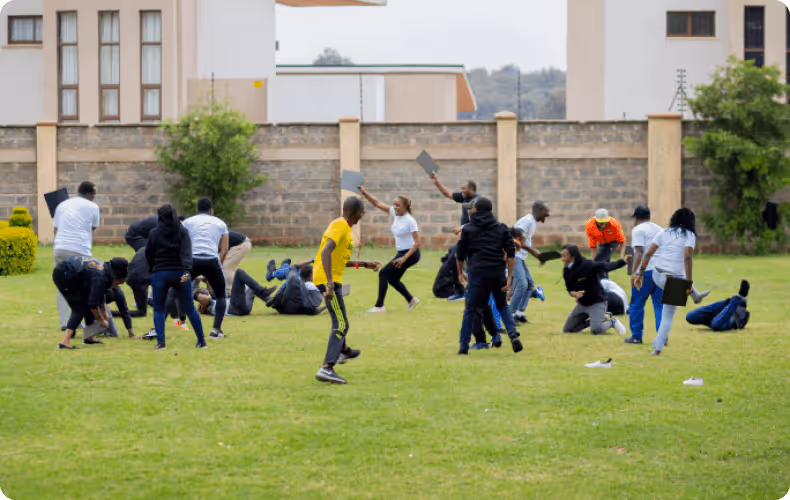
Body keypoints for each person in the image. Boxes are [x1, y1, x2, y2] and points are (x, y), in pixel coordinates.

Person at [313, 197, 382, 385]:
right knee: (341, 324)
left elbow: (339, 259)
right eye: (362, 212)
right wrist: (329, 284)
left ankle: (343, 351)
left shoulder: (346, 230)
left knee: (341, 321)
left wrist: (364, 264)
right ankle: (327, 368)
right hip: (328, 281)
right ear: (354, 211)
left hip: (331, 280)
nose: (363, 215)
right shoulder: (340, 226)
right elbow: (326, 253)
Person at [455, 197, 523, 354]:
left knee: (470, 309)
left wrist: (460, 273)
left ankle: (463, 347)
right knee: (501, 305)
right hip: (497, 273)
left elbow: (460, 254)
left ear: (476, 210)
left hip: (477, 274)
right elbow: (511, 255)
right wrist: (509, 277)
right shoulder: (502, 228)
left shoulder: (469, 229)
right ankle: (513, 335)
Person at [634, 208, 706, 356]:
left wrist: (640, 274)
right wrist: (688, 283)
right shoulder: (689, 235)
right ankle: (657, 348)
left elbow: (648, 253)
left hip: (657, 275)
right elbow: (687, 258)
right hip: (673, 280)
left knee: (677, 285)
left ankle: (696, 296)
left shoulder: (664, 232)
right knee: (667, 315)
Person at [145, 204, 206, 350]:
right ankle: (202, 342)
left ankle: (161, 343)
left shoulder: (154, 233)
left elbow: (148, 254)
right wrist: (187, 271)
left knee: (159, 308)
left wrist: (152, 270)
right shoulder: (182, 232)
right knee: (190, 307)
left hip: (160, 274)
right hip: (181, 274)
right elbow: (187, 253)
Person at [358, 186, 421, 313]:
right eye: (394, 205)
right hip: (401, 252)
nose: (395, 208)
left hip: (410, 254)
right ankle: (411, 300)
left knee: (384, 273)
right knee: (392, 279)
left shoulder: (410, 221)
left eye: (398, 205)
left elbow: (417, 243)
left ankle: (379, 306)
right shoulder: (394, 213)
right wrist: (364, 193)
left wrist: (404, 258)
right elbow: (377, 204)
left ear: (405, 207)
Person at [53, 181, 101, 331]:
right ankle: (83, 322)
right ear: (89, 193)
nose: (94, 196)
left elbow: (56, 228)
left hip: (60, 249)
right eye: (94, 194)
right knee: (83, 285)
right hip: (79, 250)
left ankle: (64, 322)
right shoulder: (93, 207)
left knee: (63, 284)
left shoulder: (62, 205)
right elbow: (93, 229)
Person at [53, 256, 129, 349]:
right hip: (64, 274)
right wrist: (102, 320)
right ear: (114, 276)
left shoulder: (105, 270)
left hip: (72, 274)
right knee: (80, 307)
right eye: (118, 282)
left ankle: (89, 337)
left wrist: (104, 311)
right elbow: (93, 304)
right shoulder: (100, 277)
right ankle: (65, 341)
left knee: (86, 303)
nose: (116, 286)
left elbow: (98, 294)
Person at [183, 198, 229, 339]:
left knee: (176, 289)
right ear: (211, 210)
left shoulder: (187, 222)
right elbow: (224, 249)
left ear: (197, 210)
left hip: (193, 260)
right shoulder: (220, 223)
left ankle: (177, 322)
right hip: (211, 260)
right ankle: (216, 330)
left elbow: (182, 244)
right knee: (221, 295)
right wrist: (217, 265)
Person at [430, 174, 480, 301]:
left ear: (472, 189)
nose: (462, 191)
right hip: (466, 240)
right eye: (461, 188)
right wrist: (436, 182)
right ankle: (461, 290)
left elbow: (479, 222)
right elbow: (448, 194)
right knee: (452, 256)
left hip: (476, 240)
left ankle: (462, 290)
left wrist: (462, 228)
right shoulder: (465, 198)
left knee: (457, 260)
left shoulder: (477, 202)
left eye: (465, 188)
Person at [560, 245, 628, 335]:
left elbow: (606, 266)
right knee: (568, 330)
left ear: (573, 256)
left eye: (565, 256)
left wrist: (622, 262)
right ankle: (599, 319)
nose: (562, 259)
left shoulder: (588, 265)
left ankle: (612, 322)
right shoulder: (567, 271)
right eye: (562, 256)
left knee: (596, 330)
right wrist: (574, 293)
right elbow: (570, 288)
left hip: (597, 302)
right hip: (583, 304)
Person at [625, 205, 665, 344]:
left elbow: (639, 252)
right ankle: (663, 337)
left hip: (646, 271)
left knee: (636, 304)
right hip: (662, 271)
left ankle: (636, 336)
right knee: (660, 305)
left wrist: (635, 272)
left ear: (637, 218)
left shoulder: (638, 229)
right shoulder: (660, 229)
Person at [510, 201, 550, 323]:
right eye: (546, 212)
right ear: (539, 210)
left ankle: (519, 314)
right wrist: (533, 252)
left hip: (520, 257)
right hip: (513, 255)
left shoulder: (531, 222)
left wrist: (537, 255)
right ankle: (510, 315)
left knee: (529, 283)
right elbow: (515, 237)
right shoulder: (527, 221)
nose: (547, 215)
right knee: (522, 284)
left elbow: (524, 242)